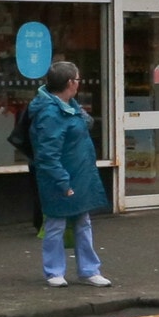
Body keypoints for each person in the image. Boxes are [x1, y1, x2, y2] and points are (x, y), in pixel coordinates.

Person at [27, 60, 111, 288]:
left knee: (83, 221)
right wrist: (63, 182)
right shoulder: (50, 114)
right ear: (70, 83)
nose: (79, 84)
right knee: (56, 224)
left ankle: (89, 271)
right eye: (77, 79)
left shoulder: (68, 105)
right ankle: (54, 272)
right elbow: (47, 155)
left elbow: (86, 125)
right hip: (61, 178)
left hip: (79, 174)